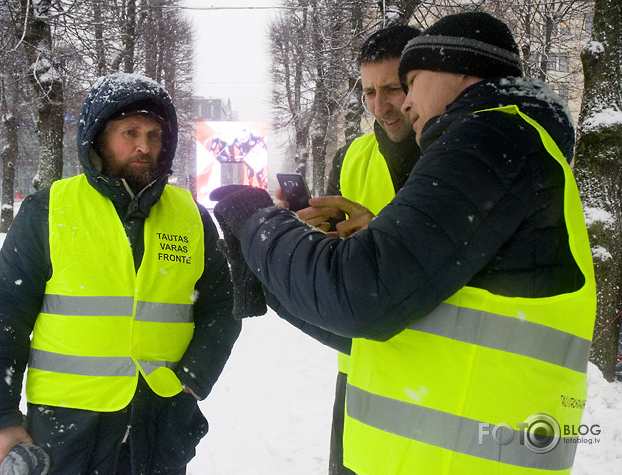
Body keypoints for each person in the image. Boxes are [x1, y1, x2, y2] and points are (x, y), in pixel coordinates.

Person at [212, 12, 596, 473]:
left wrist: (257, 220)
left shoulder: (491, 137)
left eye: (408, 82)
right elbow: (385, 317)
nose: (403, 103)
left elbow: (359, 294)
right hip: (441, 445)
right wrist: (271, 270)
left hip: (460, 454)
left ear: (460, 67)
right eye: (371, 92)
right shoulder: (508, 146)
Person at [0, 73, 241, 475]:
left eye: (154, 135)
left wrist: (194, 378)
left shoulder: (191, 217)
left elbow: (223, 306)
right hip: (68, 428)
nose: (144, 146)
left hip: (160, 424)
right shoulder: (49, 210)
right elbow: (5, 314)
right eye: (129, 132)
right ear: (98, 137)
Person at [274, 25, 420, 475]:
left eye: (392, 88)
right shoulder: (353, 155)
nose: (381, 106)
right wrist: (308, 231)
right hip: (361, 366)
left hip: (433, 366)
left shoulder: (452, 151)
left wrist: (379, 236)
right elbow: (333, 263)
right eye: (370, 92)